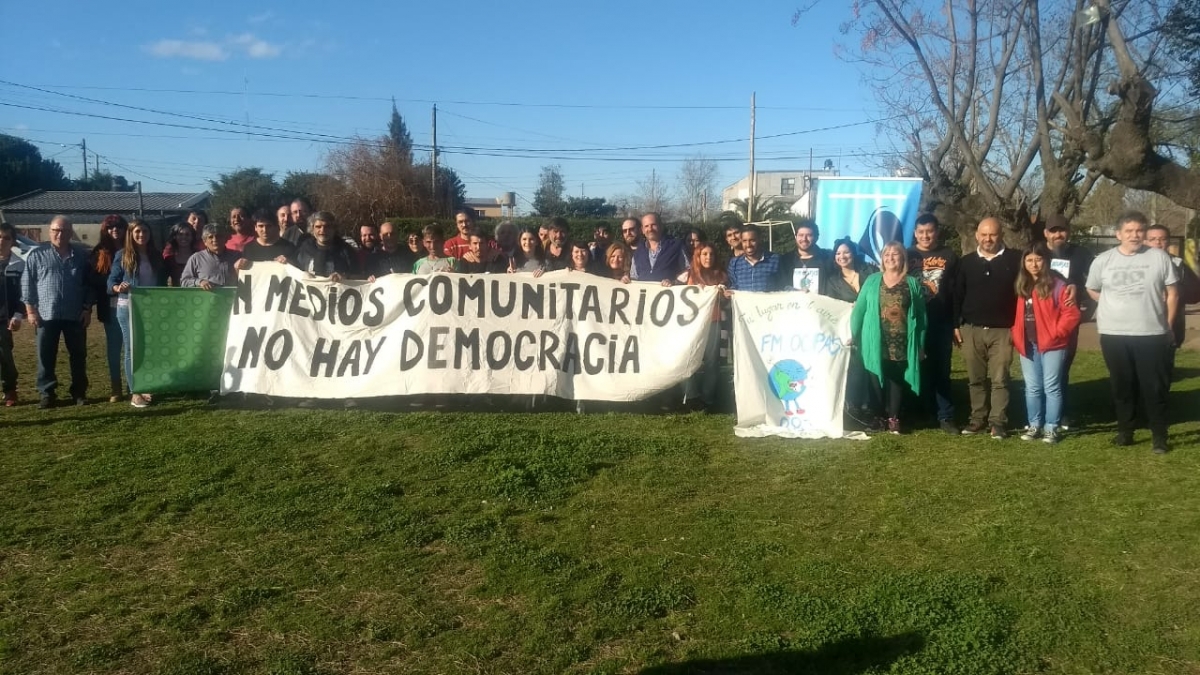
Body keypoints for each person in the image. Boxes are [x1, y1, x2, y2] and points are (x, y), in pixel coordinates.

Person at [1087, 212, 1179, 454]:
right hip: (1113, 333)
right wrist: (1113, 301)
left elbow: (1173, 294)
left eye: (1139, 231)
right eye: (1128, 231)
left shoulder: (1159, 258)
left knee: (1154, 387)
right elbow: (1092, 289)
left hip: (1151, 333)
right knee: (1122, 386)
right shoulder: (1103, 260)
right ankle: (1125, 432)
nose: (1134, 235)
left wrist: (1168, 326)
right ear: (1118, 234)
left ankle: (1159, 436)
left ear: (1144, 233)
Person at [954, 217, 1024, 439]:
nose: (988, 239)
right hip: (971, 330)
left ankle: (998, 422)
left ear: (1001, 235)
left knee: (1000, 378)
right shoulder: (966, 262)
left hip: (1003, 331)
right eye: (983, 234)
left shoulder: (1015, 260)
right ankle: (977, 419)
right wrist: (956, 324)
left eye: (992, 234)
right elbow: (957, 295)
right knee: (975, 378)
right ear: (977, 236)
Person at [850, 242, 926, 434]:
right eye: (887, 255)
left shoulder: (912, 283)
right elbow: (859, 310)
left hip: (901, 342)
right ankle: (877, 418)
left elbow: (922, 316)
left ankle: (893, 418)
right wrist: (852, 334)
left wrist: (921, 345)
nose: (891, 258)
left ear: (903, 258)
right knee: (875, 378)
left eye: (895, 254)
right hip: (875, 339)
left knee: (896, 381)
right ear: (882, 259)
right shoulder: (872, 280)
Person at [1010, 244, 1081, 444]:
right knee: (1032, 387)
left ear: (1046, 261)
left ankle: (1051, 427)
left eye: (1038, 260)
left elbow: (1072, 314)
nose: (1034, 264)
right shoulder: (1022, 285)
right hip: (1028, 344)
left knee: (1051, 387)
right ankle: (1034, 424)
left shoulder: (1057, 285)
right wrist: (1016, 334)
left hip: (1052, 345)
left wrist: (1057, 333)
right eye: (1029, 260)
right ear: (1024, 263)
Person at [21, 216, 94, 408]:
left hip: (75, 314)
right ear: (49, 231)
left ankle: (79, 393)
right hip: (46, 314)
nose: (59, 234)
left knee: (78, 355)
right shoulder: (37, 255)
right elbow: (27, 284)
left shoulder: (81, 256)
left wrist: (87, 309)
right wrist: (30, 311)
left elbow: (89, 285)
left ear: (71, 233)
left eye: (64, 231)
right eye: (56, 230)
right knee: (45, 355)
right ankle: (47, 393)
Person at [907, 213, 960, 434]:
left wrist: (956, 323)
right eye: (921, 232)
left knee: (941, 371)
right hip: (914, 322)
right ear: (915, 233)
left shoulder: (949, 255)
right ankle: (923, 413)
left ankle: (945, 416)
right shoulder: (907, 254)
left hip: (942, 322)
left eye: (929, 231)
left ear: (937, 231)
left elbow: (957, 292)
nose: (925, 235)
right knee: (917, 369)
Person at [108, 219, 168, 409]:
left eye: (145, 232)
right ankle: (135, 390)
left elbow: (161, 283)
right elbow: (111, 282)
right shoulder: (122, 255)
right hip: (128, 308)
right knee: (131, 349)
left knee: (149, 348)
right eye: (137, 232)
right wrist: (119, 287)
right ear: (131, 235)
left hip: (151, 309)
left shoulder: (156, 256)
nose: (142, 235)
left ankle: (147, 385)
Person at [1042, 213, 1094, 429]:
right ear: (1046, 233)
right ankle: (1038, 412)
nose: (1058, 235)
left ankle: (1061, 413)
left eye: (1062, 230)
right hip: (1040, 320)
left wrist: (1083, 301)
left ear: (1068, 232)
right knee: (1040, 369)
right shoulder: (1036, 252)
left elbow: (1095, 282)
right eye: (1053, 230)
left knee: (1061, 367)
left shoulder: (1080, 254)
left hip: (1067, 322)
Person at [828, 238, 879, 426]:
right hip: (849, 331)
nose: (842, 256)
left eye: (846, 252)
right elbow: (831, 307)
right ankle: (855, 408)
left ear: (853, 253)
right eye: (838, 253)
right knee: (855, 370)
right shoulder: (833, 281)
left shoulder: (870, 272)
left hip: (873, 327)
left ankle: (877, 408)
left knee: (874, 369)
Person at [1145, 224, 1200, 377]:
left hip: (1171, 325)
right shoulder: (1135, 264)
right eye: (1153, 239)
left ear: (1168, 242)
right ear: (1145, 242)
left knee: (1163, 370)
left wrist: (1174, 292)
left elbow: (1195, 295)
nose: (1158, 243)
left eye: (1162, 239)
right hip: (1140, 325)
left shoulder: (1179, 265)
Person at [683, 242, 728, 411]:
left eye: (711, 254)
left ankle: (708, 398)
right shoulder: (689, 275)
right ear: (698, 257)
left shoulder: (722, 276)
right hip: (693, 324)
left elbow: (726, 301)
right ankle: (692, 396)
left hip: (714, 321)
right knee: (688, 360)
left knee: (711, 362)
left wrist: (723, 294)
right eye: (704, 254)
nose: (708, 257)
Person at [90, 215, 128, 402]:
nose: (115, 230)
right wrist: (113, 284)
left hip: (132, 304)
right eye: (111, 227)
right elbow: (93, 279)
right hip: (111, 306)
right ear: (105, 229)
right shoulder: (99, 252)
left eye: (119, 226)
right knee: (114, 349)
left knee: (132, 348)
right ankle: (116, 387)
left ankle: (133, 385)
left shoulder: (133, 249)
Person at [0, 223, 25, 407]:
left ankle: (10, 389)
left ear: (13, 241)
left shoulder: (19, 264)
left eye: (6, 238)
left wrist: (18, 314)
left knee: (4, 355)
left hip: (4, 319)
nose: (2, 241)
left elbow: (24, 294)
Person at [292, 212, 357, 281]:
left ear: (334, 229)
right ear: (312, 228)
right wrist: (282, 262)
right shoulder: (304, 249)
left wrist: (345, 277)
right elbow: (293, 270)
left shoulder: (346, 251)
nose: (323, 230)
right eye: (318, 227)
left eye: (327, 227)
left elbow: (359, 276)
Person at [631, 212, 688, 285]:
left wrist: (674, 282)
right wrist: (626, 281)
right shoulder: (638, 252)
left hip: (669, 294)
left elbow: (687, 271)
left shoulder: (676, 246)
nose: (650, 229)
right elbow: (634, 277)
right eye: (646, 226)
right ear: (642, 230)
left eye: (653, 225)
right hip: (645, 295)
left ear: (661, 226)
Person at [726, 225, 785, 292]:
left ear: (759, 240)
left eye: (752, 240)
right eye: (744, 241)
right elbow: (733, 286)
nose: (748, 245)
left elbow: (785, 286)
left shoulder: (775, 260)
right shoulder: (734, 263)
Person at [181, 224, 241, 289]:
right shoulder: (196, 258)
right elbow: (184, 281)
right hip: (206, 298)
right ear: (204, 241)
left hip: (233, 297)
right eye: (210, 237)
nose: (215, 239)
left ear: (225, 239)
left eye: (218, 236)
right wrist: (200, 282)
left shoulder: (237, 256)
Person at [781, 222, 834, 295]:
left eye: (809, 235)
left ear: (816, 237)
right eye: (801, 235)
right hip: (793, 305)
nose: (804, 239)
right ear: (796, 237)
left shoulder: (828, 258)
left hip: (821, 305)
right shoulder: (786, 260)